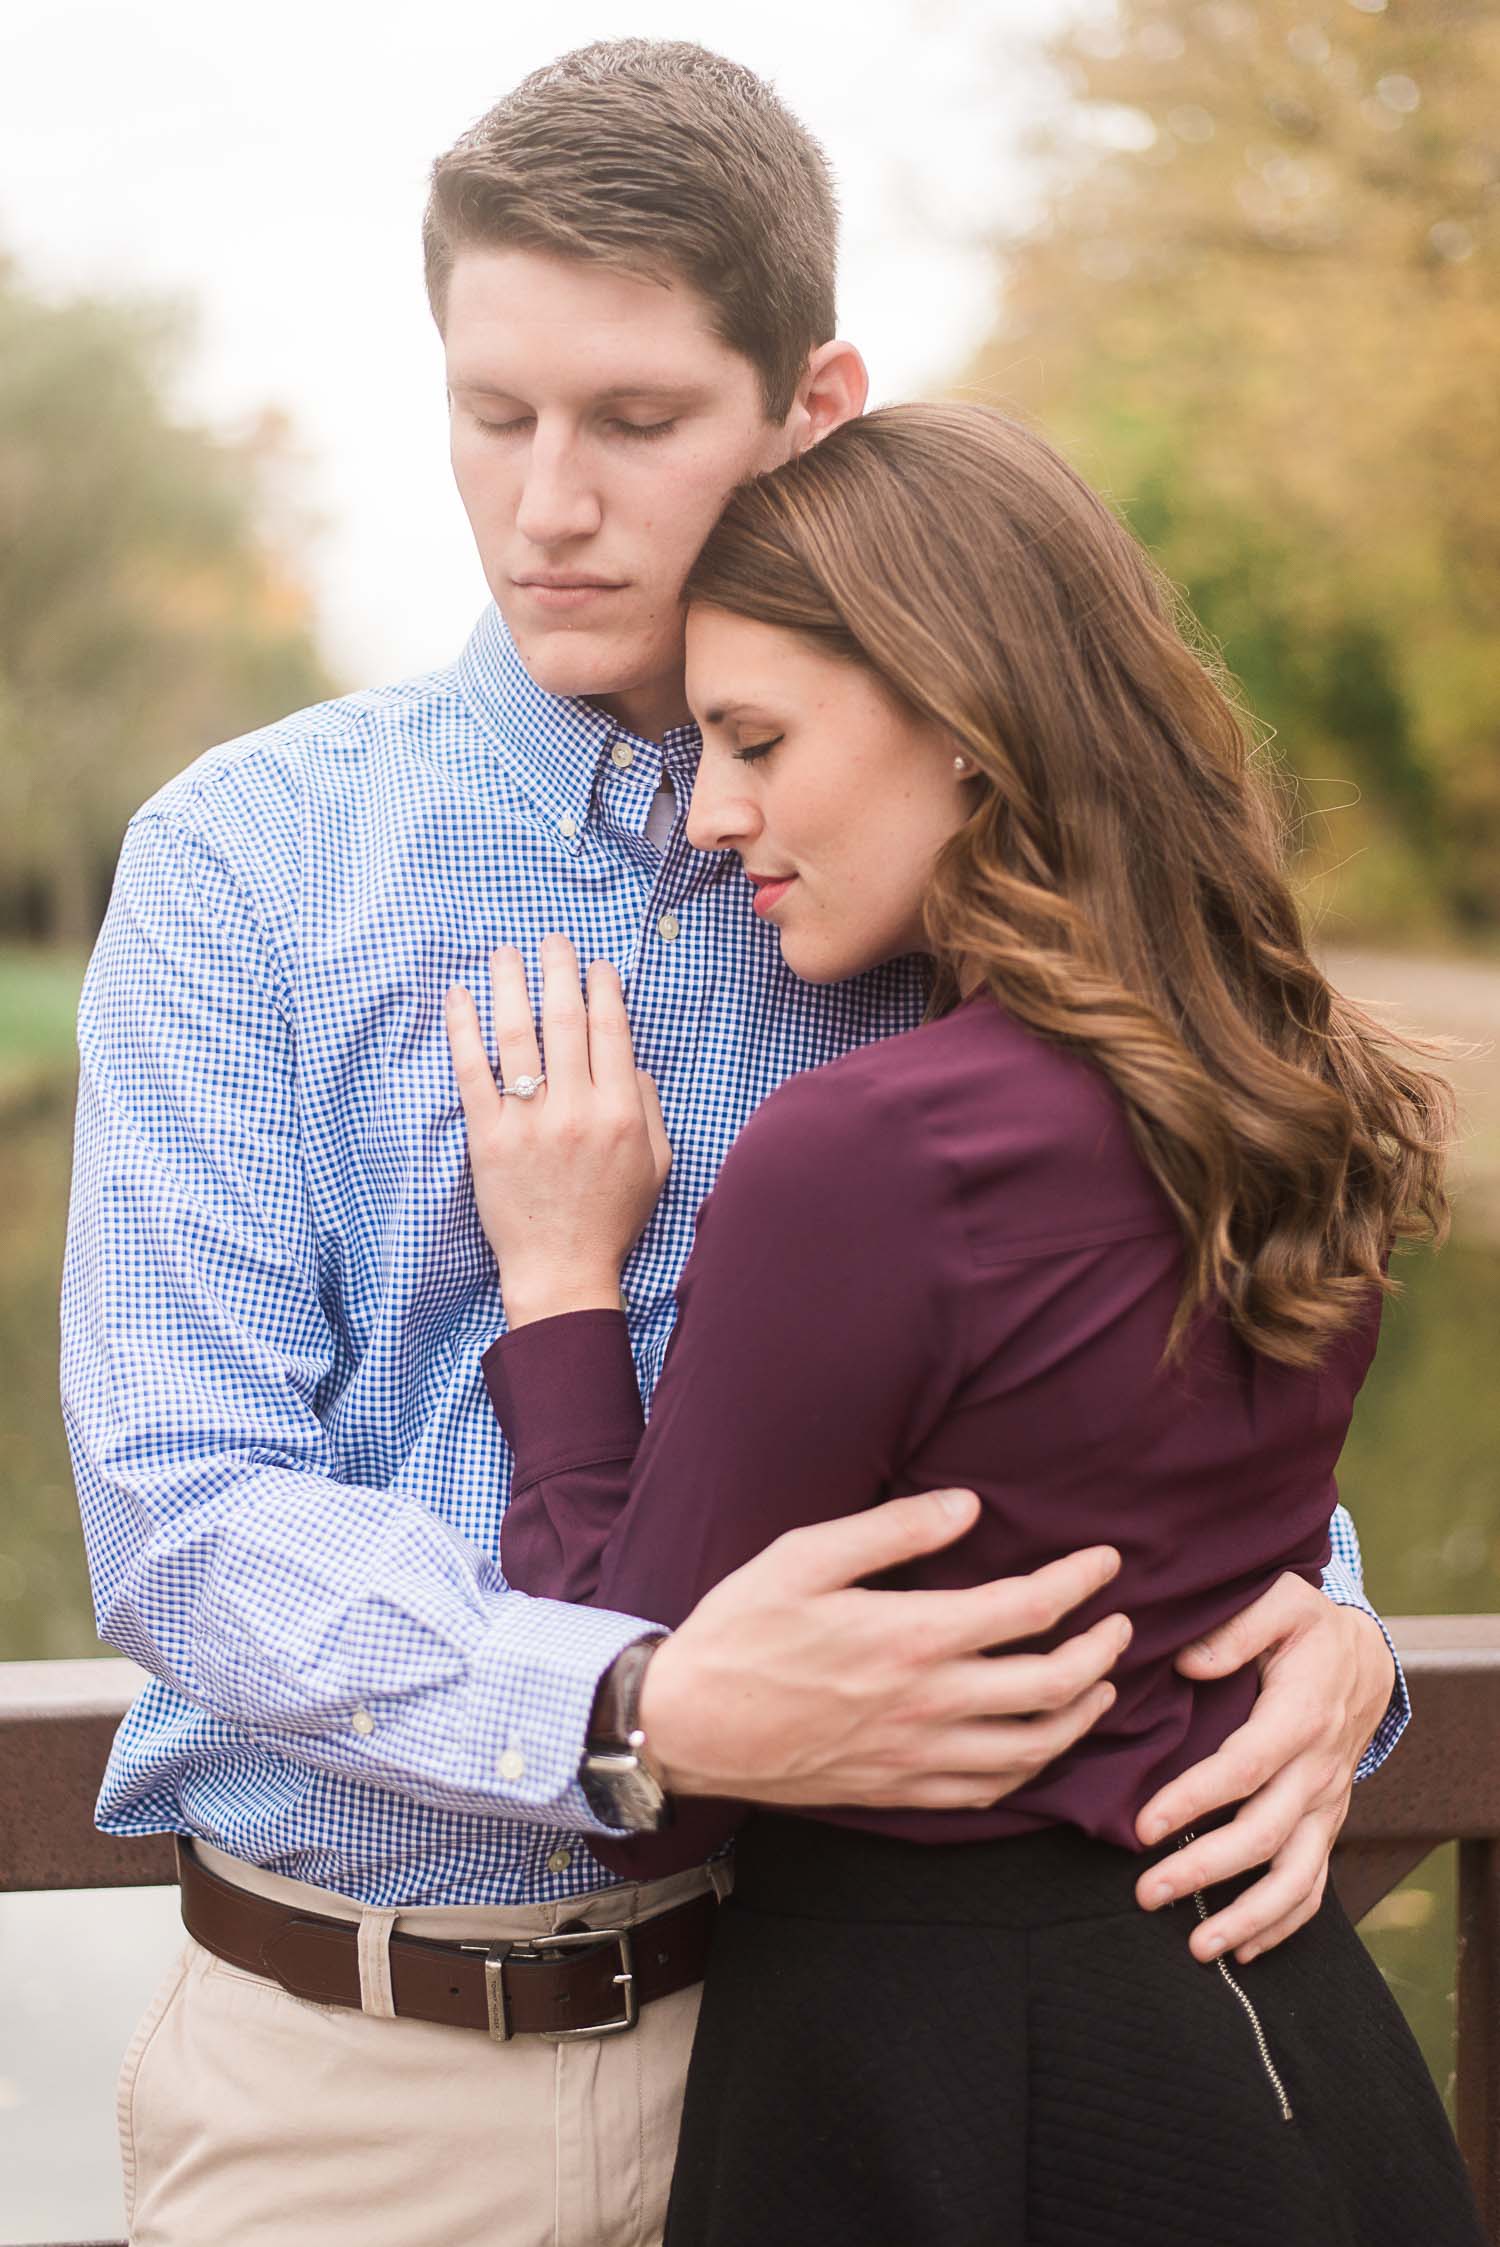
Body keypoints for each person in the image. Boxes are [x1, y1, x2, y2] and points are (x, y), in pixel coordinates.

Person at [61, 41, 1402, 2247]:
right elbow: (186, 1509)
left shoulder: (948, 880)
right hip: (366, 2093)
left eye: (636, 420)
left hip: (865, 2060)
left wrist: (1327, 1625)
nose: (545, 506)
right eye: (492, 415)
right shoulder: (249, 862)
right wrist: (639, 1700)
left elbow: (1140, 1361)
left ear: (815, 403)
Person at [458, 401, 1481, 2247]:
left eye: (758, 740)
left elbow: (652, 1770)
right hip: (1289, 2038)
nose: (713, 813)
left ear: (965, 720)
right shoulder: (1295, 1085)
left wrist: (557, 1287)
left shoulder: (872, 1154)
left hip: (945, 2082)